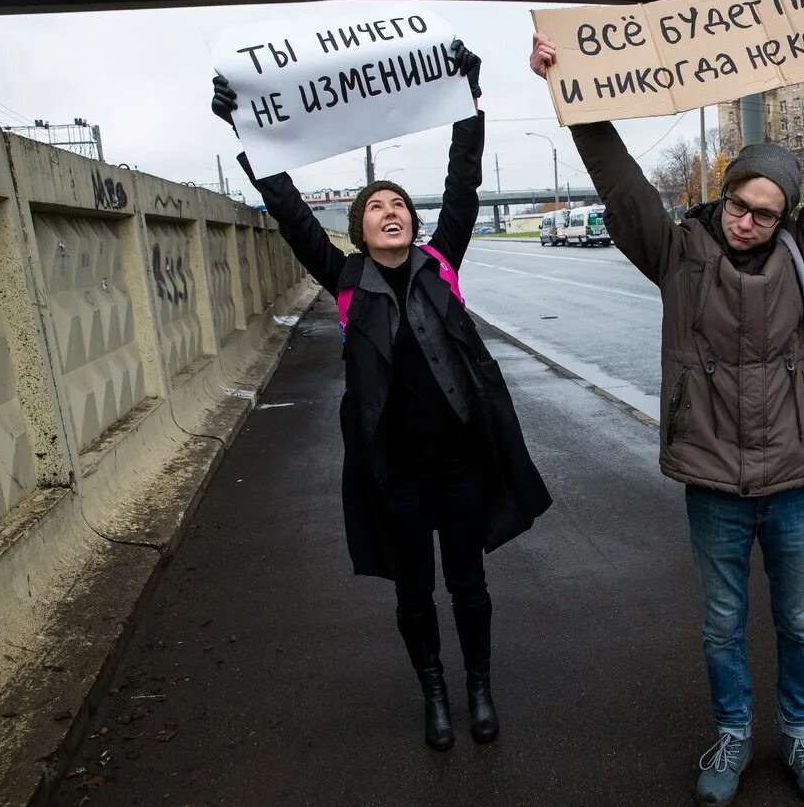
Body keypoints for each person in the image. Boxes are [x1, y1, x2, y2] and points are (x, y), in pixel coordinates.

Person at [530, 0, 804, 806]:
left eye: (764, 213)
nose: (746, 222)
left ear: (786, 218)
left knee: (802, 622)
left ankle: (802, 738)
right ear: (724, 194)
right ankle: (735, 734)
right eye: (738, 204)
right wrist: (575, 101)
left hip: (797, 481)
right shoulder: (677, 253)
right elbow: (625, 184)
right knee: (720, 625)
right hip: (715, 484)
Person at [211, 40, 551, 751]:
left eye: (398, 204)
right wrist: (248, 131)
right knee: (413, 591)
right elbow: (290, 210)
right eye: (377, 206)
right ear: (361, 229)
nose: (390, 210)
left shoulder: (442, 265)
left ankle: (479, 685)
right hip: (394, 475)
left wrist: (468, 102)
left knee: (469, 583)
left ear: (413, 223)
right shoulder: (341, 280)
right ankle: (434, 691)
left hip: (461, 466)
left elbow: (463, 183)